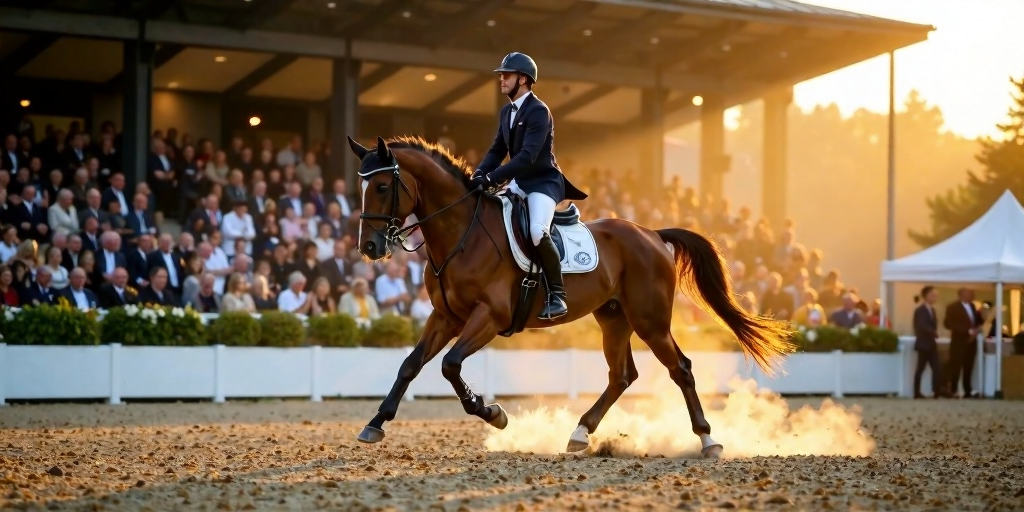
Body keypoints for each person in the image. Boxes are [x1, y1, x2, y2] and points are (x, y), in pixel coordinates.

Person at [471, 52, 587, 321]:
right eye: (501, 75)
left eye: (506, 75)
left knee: (536, 230)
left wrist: (491, 179)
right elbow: (498, 149)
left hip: (543, 183)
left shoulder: (538, 111)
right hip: (520, 181)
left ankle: (557, 295)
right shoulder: (506, 112)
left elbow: (527, 157)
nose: (501, 79)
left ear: (522, 79)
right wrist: (478, 173)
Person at [944, 287, 984, 398]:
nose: (972, 295)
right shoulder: (952, 307)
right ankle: (953, 390)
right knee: (956, 366)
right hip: (959, 341)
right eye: (970, 293)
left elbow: (978, 321)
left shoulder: (973, 306)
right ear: (962, 294)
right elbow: (949, 323)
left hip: (971, 342)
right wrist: (967, 330)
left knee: (969, 366)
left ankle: (968, 390)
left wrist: (980, 319)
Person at [913, 286, 944, 399]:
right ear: (926, 296)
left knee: (936, 368)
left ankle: (936, 390)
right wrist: (933, 332)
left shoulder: (932, 310)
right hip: (923, 343)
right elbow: (921, 326)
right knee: (920, 368)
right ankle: (916, 392)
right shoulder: (920, 310)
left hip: (931, 343)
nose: (935, 297)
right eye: (933, 295)